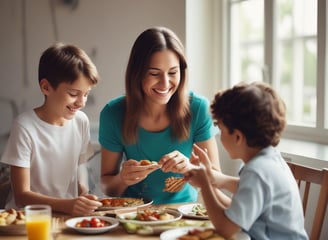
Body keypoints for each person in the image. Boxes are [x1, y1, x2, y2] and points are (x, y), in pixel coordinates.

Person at [99, 26, 222, 204]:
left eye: (173, 73)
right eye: (154, 73)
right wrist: (122, 179)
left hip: (185, 212)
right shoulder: (113, 113)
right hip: (133, 213)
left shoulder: (198, 108)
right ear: (137, 74)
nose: (165, 83)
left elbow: (215, 178)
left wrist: (191, 168)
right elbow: (107, 186)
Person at [185, 82, 308, 239]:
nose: (219, 135)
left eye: (221, 130)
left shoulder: (257, 171)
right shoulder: (270, 161)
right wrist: (212, 181)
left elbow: (226, 229)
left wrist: (205, 185)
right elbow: (239, 206)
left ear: (237, 137)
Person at [0, 43, 103, 215]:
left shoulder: (81, 121)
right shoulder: (24, 126)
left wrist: (84, 193)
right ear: (46, 87)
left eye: (86, 94)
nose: (81, 102)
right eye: (73, 94)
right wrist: (68, 204)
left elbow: (80, 167)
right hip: (26, 219)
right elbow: (21, 196)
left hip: (65, 216)